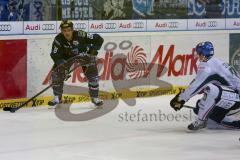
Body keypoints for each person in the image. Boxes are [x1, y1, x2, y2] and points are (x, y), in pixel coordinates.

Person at [170, 41, 240, 131]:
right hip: (233, 98)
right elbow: (200, 85)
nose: (198, 56)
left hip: (236, 99)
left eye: (198, 53)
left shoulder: (207, 66)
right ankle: (230, 123)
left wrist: (180, 99)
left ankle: (201, 121)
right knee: (210, 121)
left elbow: (195, 86)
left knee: (211, 90)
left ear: (203, 54)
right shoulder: (216, 62)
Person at [48, 20, 104, 108]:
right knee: (56, 73)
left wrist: (93, 50)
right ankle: (57, 98)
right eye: (64, 30)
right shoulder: (58, 39)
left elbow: (99, 39)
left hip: (84, 55)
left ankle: (95, 98)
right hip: (67, 58)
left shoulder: (81, 35)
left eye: (69, 30)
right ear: (61, 31)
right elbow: (55, 54)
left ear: (73, 30)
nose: (67, 33)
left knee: (93, 76)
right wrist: (62, 67)